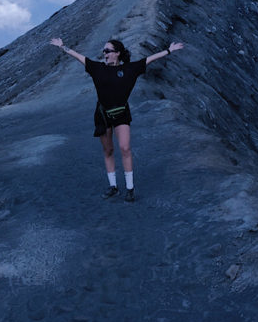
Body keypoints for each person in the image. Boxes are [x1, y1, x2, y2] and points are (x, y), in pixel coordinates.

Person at [50, 36, 184, 201]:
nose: (104, 53)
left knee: (125, 148)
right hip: (102, 115)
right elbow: (79, 57)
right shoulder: (97, 68)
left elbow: (149, 59)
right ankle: (113, 186)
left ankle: (130, 188)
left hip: (121, 113)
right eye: (104, 51)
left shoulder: (130, 69)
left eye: (108, 51)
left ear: (118, 53)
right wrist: (63, 46)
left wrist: (169, 50)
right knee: (108, 150)